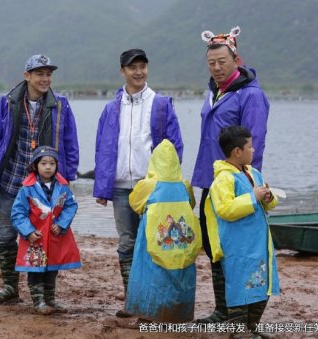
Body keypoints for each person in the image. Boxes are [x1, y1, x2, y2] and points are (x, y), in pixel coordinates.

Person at [0, 54, 79, 303]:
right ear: (27, 76)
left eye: (48, 74)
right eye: (39, 74)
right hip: (12, 178)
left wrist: (68, 176)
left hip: (45, 185)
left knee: (46, 237)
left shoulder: (60, 105)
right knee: (6, 234)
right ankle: (10, 287)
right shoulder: (8, 102)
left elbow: (70, 141)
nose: (45, 79)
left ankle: (42, 293)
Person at [93, 48, 183, 317]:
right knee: (127, 243)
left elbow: (174, 146)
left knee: (155, 241)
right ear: (123, 71)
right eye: (133, 67)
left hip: (152, 187)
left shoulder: (161, 104)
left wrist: (169, 184)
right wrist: (102, 186)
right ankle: (133, 301)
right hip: (120, 187)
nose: (139, 71)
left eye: (143, 66)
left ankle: (155, 298)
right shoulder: (111, 108)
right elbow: (103, 147)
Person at [193, 26, 270, 323]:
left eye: (222, 62)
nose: (216, 68)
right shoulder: (215, 92)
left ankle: (239, 314)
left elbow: (255, 143)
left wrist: (248, 182)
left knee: (237, 250)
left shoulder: (250, 95)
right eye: (211, 63)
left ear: (236, 59)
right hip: (210, 181)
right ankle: (222, 310)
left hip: (235, 183)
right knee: (214, 247)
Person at [205, 126, 279, 334]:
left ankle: (251, 328)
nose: (253, 150)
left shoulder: (253, 172)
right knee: (239, 287)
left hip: (258, 244)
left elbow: (267, 204)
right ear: (237, 151)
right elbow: (224, 209)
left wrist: (268, 197)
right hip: (238, 247)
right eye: (250, 146)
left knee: (262, 286)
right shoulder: (223, 179)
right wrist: (252, 197)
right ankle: (238, 331)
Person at [126, 140, 201, 322]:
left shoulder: (148, 185)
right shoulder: (184, 185)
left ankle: (148, 313)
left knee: (151, 272)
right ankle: (179, 314)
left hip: (155, 237)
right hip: (181, 241)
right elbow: (191, 203)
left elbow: (134, 202)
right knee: (180, 272)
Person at [11, 146, 81, 315]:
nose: (48, 167)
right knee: (35, 269)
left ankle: (50, 299)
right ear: (35, 166)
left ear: (57, 166)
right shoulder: (27, 188)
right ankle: (38, 301)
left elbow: (71, 205)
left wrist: (62, 224)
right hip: (36, 237)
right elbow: (18, 212)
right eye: (43, 163)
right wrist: (28, 231)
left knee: (52, 269)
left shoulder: (63, 187)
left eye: (52, 163)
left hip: (56, 235)